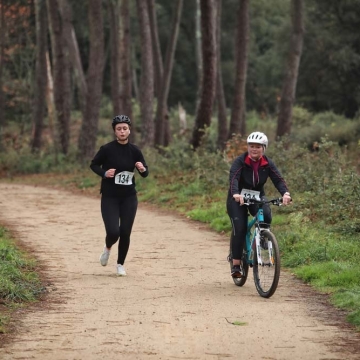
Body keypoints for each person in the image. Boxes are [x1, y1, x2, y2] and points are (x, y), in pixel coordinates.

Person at [90, 115, 149, 276]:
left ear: (129, 130)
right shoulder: (107, 149)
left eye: (124, 128)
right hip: (110, 197)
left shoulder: (135, 151)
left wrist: (142, 169)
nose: (122, 131)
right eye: (119, 129)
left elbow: (145, 172)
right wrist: (104, 173)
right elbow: (94, 164)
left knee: (125, 232)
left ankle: (120, 264)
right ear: (115, 132)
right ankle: (107, 248)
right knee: (113, 232)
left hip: (129, 197)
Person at [227, 131, 291, 278]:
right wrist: (236, 193)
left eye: (257, 146)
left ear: (264, 148)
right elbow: (233, 179)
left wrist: (285, 193)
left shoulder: (267, 163)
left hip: (257, 195)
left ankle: (262, 238)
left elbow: (278, 179)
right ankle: (236, 264)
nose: (254, 149)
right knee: (240, 228)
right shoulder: (240, 161)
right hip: (237, 198)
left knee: (266, 215)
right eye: (251, 146)